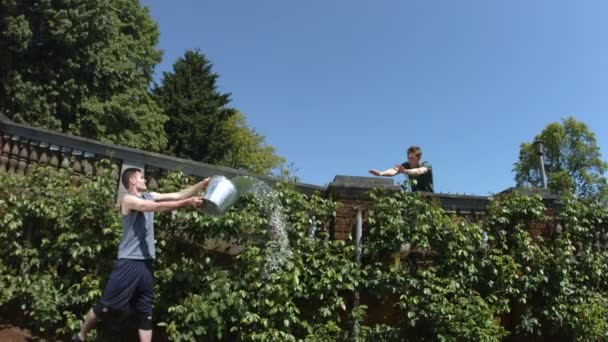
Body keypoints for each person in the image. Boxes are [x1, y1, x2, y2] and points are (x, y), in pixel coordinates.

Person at [72, 168, 210, 342]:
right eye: (142, 178)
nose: (145, 180)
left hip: (146, 263)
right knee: (105, 307)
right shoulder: (128, 200)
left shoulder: (149, 195)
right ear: (132, 181)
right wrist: (187, 203)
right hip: (129, 261)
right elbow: (154, 207)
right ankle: (80, 335)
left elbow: (178, 194)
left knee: (145, 313)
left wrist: (202, 184)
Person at [369, 145, 434, 192]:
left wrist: (405, 171)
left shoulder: (426, 165)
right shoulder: (407, 165)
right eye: (408, 158)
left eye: (412, 158)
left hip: (429, 197)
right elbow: (394, 170)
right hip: (416, 197)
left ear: (419, 158)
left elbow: (418, 171)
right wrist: (381, 173)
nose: (409, 160)